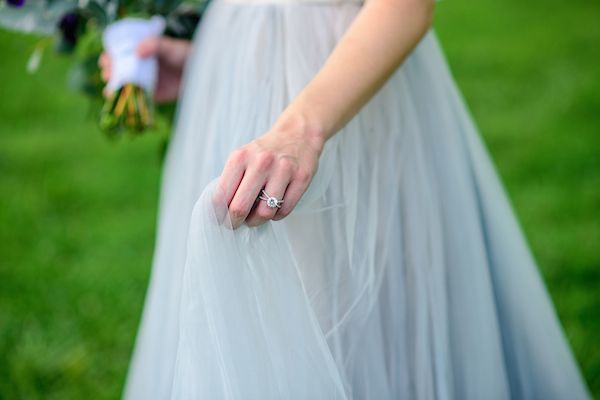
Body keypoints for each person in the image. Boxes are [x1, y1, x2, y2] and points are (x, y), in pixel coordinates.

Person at [100, 0, 592, 398]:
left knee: (352, 326)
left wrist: (301, 132)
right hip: (236, 76)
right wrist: (212, 62)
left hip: (345, 95)